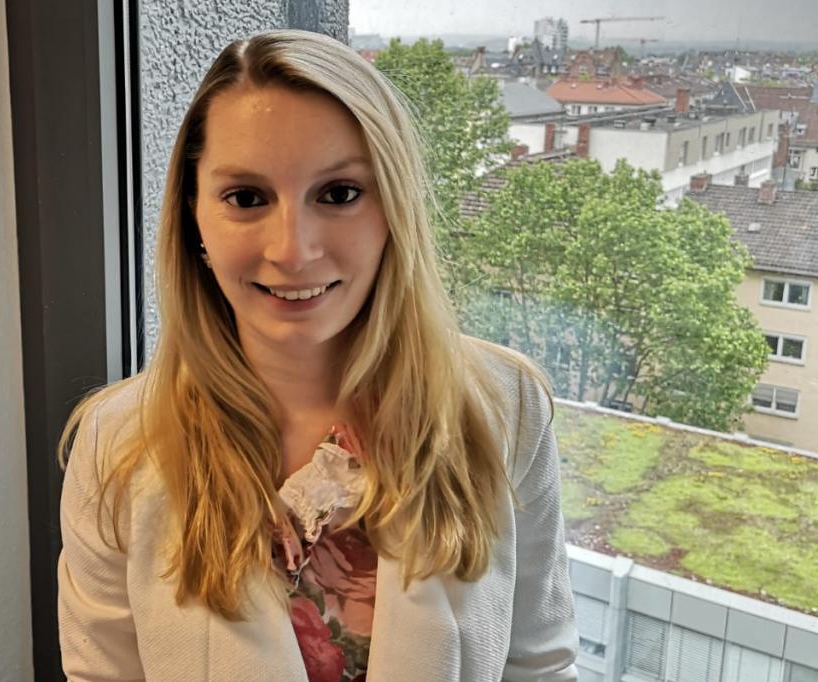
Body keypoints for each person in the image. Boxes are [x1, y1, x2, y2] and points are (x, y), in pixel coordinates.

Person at [57, 28, 578, 682]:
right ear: (194, 218)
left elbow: (539, 666)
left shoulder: (504, 407)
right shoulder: (115, 446)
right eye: (246, 198)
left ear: (394, 210)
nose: (293, 250)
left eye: (338, 194)